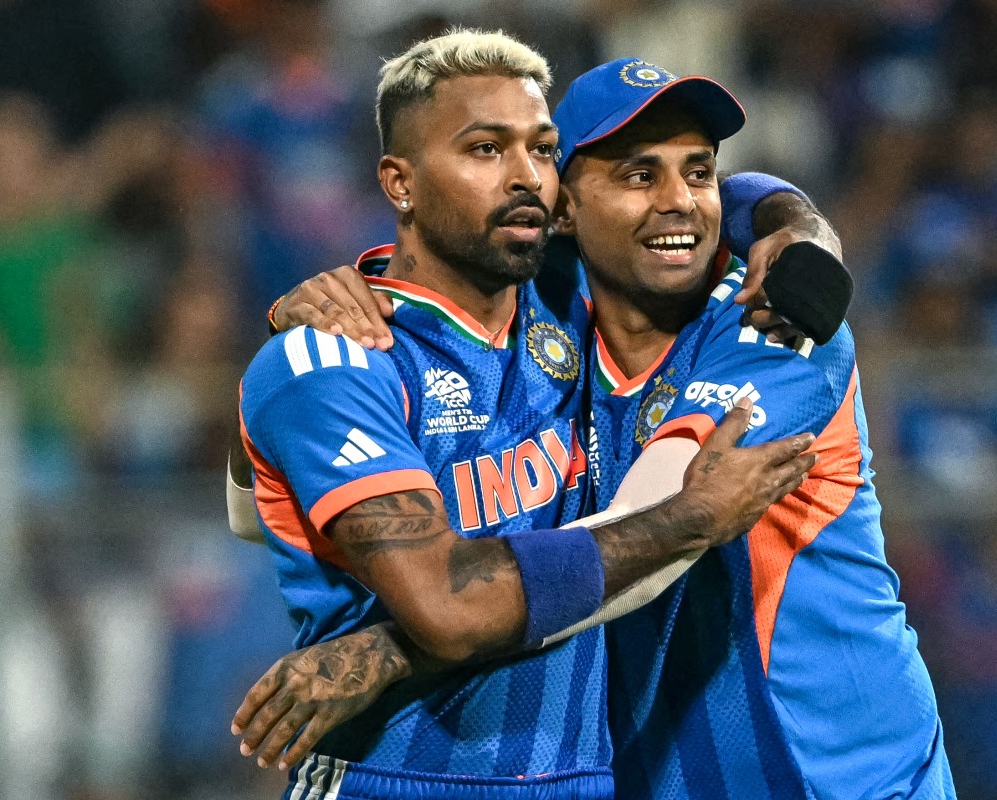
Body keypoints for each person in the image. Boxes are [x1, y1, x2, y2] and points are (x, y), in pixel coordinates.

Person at [243, 55, 957, 800]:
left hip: (841, 776)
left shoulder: (779, 327)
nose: (680, 201)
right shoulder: (548, 315)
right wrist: (305, 339)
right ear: (562, 209)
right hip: (652, 777)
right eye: (639, 175)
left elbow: (654, 528)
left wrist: (398, 646)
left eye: (699, 171)